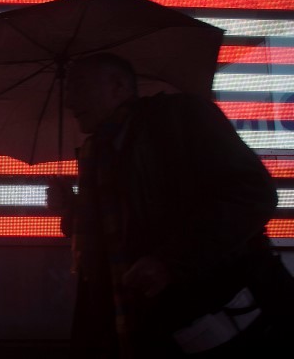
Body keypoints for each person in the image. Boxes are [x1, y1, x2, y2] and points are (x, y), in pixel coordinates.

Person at [46, 53, 294, 358]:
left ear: (119, 85)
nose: (69, 102)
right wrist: (70, 210)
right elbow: (109, 242)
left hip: (222, 315)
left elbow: (254, 195)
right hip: (145, 325)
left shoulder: (182, 117)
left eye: (78, 86)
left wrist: (171, 262)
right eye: (67, 91)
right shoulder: (97, 153)